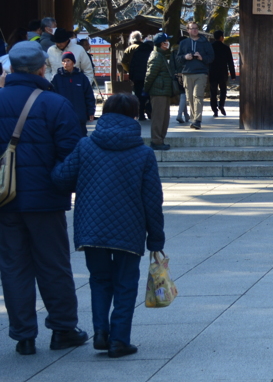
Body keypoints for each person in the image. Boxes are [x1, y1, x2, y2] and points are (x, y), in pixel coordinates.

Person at [51, 92, 163, 359]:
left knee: (99, 280)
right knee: (125, 283)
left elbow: (60, 179)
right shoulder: (143, 154)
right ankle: (119, 340)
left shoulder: (85, 146)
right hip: (129, 229)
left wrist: (54, 159)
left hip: (91, 228)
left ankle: (100, 333)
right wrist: (156, 240)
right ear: (135, 116)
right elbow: (152, 202)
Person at [0, 41, 88, 355]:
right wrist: (59, 184)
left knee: (13, 265)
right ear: (42, 68)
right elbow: (72, 154)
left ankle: (23, 335)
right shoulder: (55, 104)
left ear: (10, 68)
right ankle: (63, 328)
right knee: (53, 264)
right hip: (46, 200)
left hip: (4, 199)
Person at [176, 22, 213, 130]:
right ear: (188, 30)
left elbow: (211, 57)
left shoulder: (205, 42)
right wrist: (185, 57)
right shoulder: (183, 43)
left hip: (201, 72)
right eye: (192, 29)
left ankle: (197, 120)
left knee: (198, 96)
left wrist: (202, 58)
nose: (194, 30)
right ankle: (193, 119)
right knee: (190, 97)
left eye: (196, 28)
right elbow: (178, 59)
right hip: (187, 72)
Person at [143, 33, 175, 151]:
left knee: (164, 117)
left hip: (163, 91)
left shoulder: (161, 55)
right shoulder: (156, 56)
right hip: (158, 91)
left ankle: (160, 140)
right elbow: (150, 75)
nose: (168, 43)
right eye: (166, 41)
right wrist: (146, 90)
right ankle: (156, 141)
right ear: (162, 43)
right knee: (158, 117)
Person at [51, 51, 95, 137]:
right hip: (63, 116)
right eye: (64, 61)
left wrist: (91, 111)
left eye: (68, 60)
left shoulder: (81, 78)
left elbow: (89, 95)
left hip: (80, 115)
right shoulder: (57, 79)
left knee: (81, 138)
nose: (66, 63)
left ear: (73, 62)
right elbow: (52, 97)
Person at [209, 30, 236, 118]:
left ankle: (214, 109)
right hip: (223, 72)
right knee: (223, 90)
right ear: (221, 37)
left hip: (212, 72)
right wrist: (233, 74)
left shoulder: (210, 47)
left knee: (213, 91)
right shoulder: (226, 48)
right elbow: (230, 62)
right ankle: (221, 105)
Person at [128, 34, 154, 120]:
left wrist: (131, 77)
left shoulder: (137, 52)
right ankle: (149, 110)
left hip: (138, 78)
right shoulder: (152, 53)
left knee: (139, 96)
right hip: (149, 78)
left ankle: (141, 114)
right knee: (150, 95)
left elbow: (132, 66)